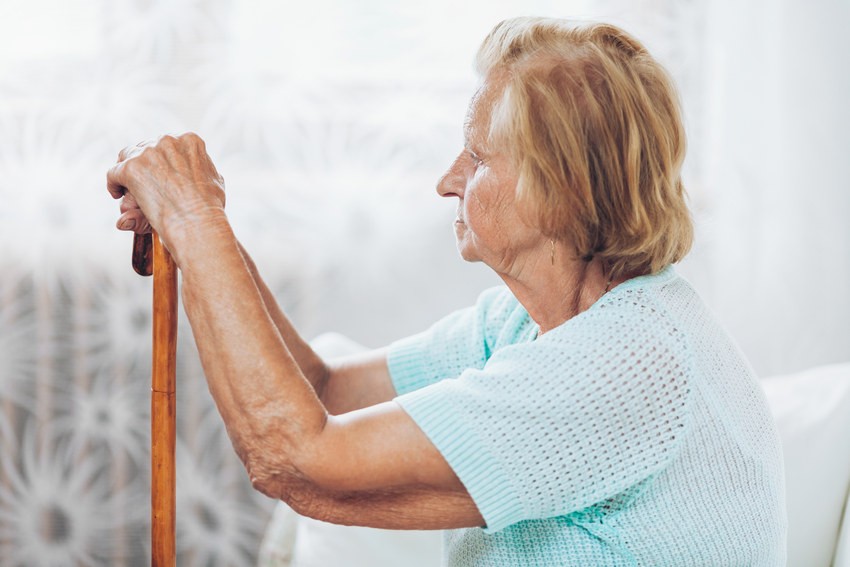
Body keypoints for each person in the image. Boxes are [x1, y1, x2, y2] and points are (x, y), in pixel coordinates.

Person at [106, 17, 786, 566]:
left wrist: (195, 220)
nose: (447, 179)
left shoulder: (625, 363)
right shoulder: (528, 321)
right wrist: (203, 225)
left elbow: (295, 455)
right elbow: (324, 391)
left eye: (479, 156)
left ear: (561, 191)